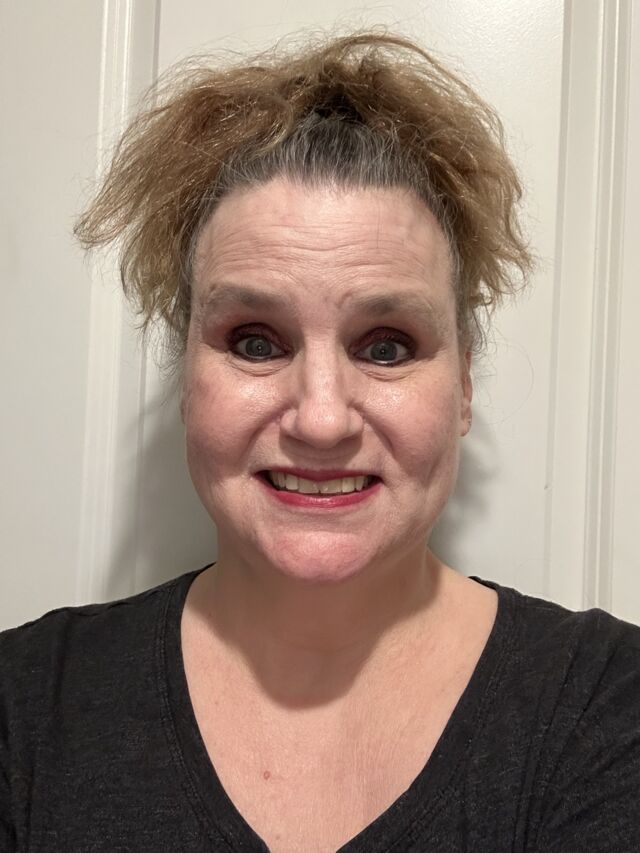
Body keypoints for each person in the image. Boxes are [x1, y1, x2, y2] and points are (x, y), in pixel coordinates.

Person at [1, 31, 639, 853]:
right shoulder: (25, 711)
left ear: (464, 386)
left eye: (387, 346)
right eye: (255, 341)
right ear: (185, 377)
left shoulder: (606, 710)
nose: (322, 419)